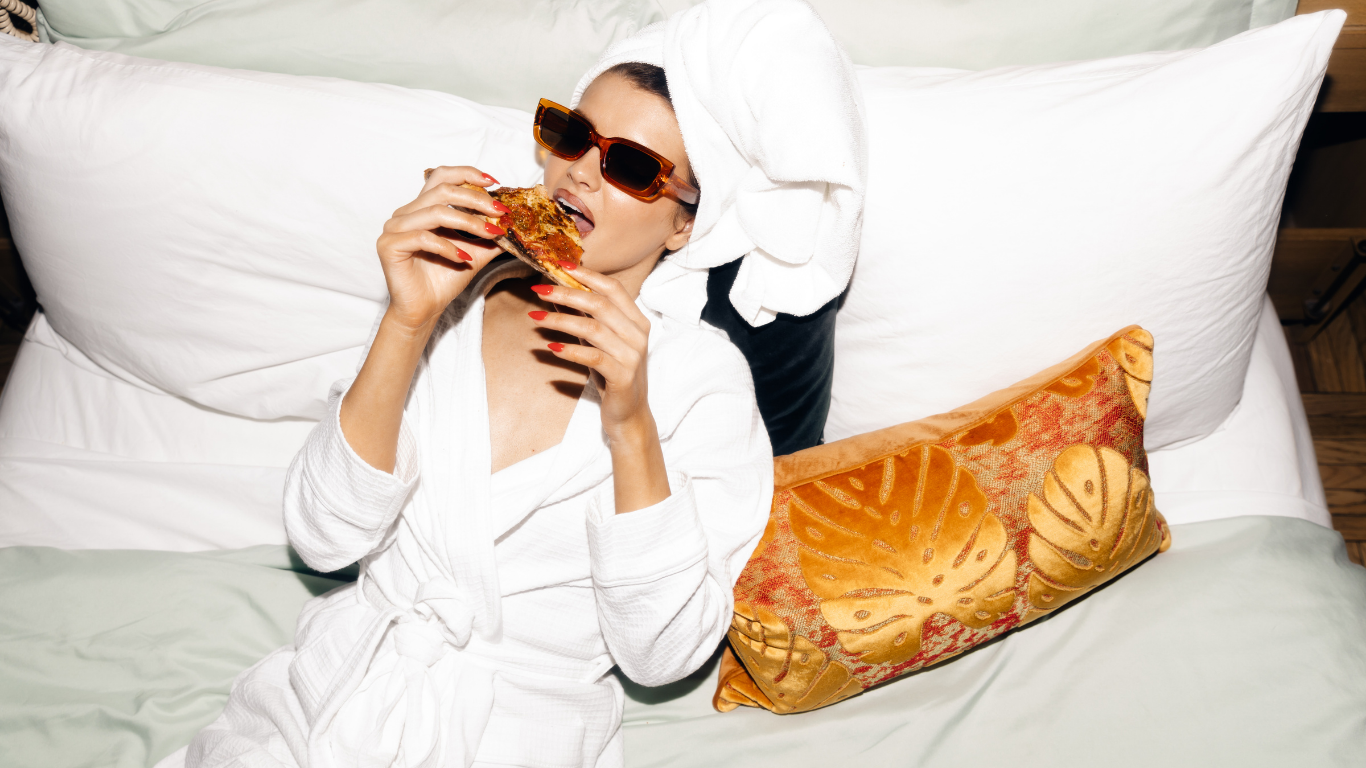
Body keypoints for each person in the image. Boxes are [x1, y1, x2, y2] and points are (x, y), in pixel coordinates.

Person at [182, 63, 773, 768]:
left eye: (632, 166)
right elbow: (323, 537)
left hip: (525, 734)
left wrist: (630, 426)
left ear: (683, 224)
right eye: (572, 134)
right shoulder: (447, 296)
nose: (582, 170)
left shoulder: (702, 380)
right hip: (330, 703)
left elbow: (661, 654)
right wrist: (406, 323)